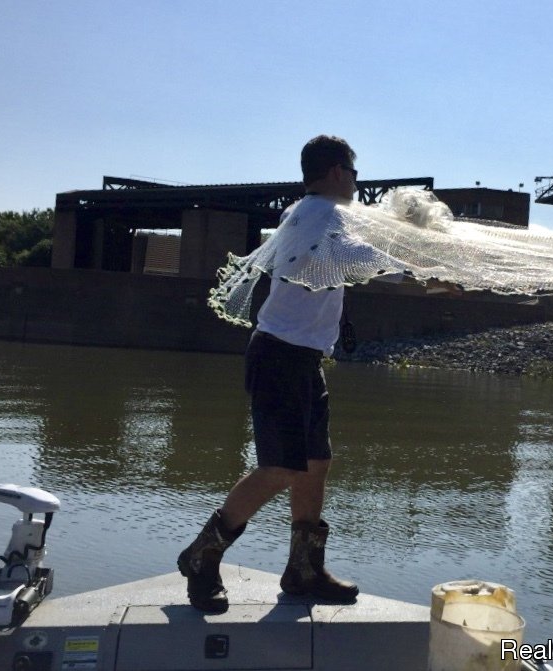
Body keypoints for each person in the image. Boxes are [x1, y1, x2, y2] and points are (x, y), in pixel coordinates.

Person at [177, 135, 360, 613]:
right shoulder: (323, 214)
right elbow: (363, 261)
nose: (357, 184)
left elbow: (343, 261)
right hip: (280, 354)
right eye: (354, 174)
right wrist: (422, 272)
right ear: (339, 172)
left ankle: (304, 569)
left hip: (300, 356)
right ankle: (202, 556)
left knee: (315, 463)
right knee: (280, 468)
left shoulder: (303, 213)